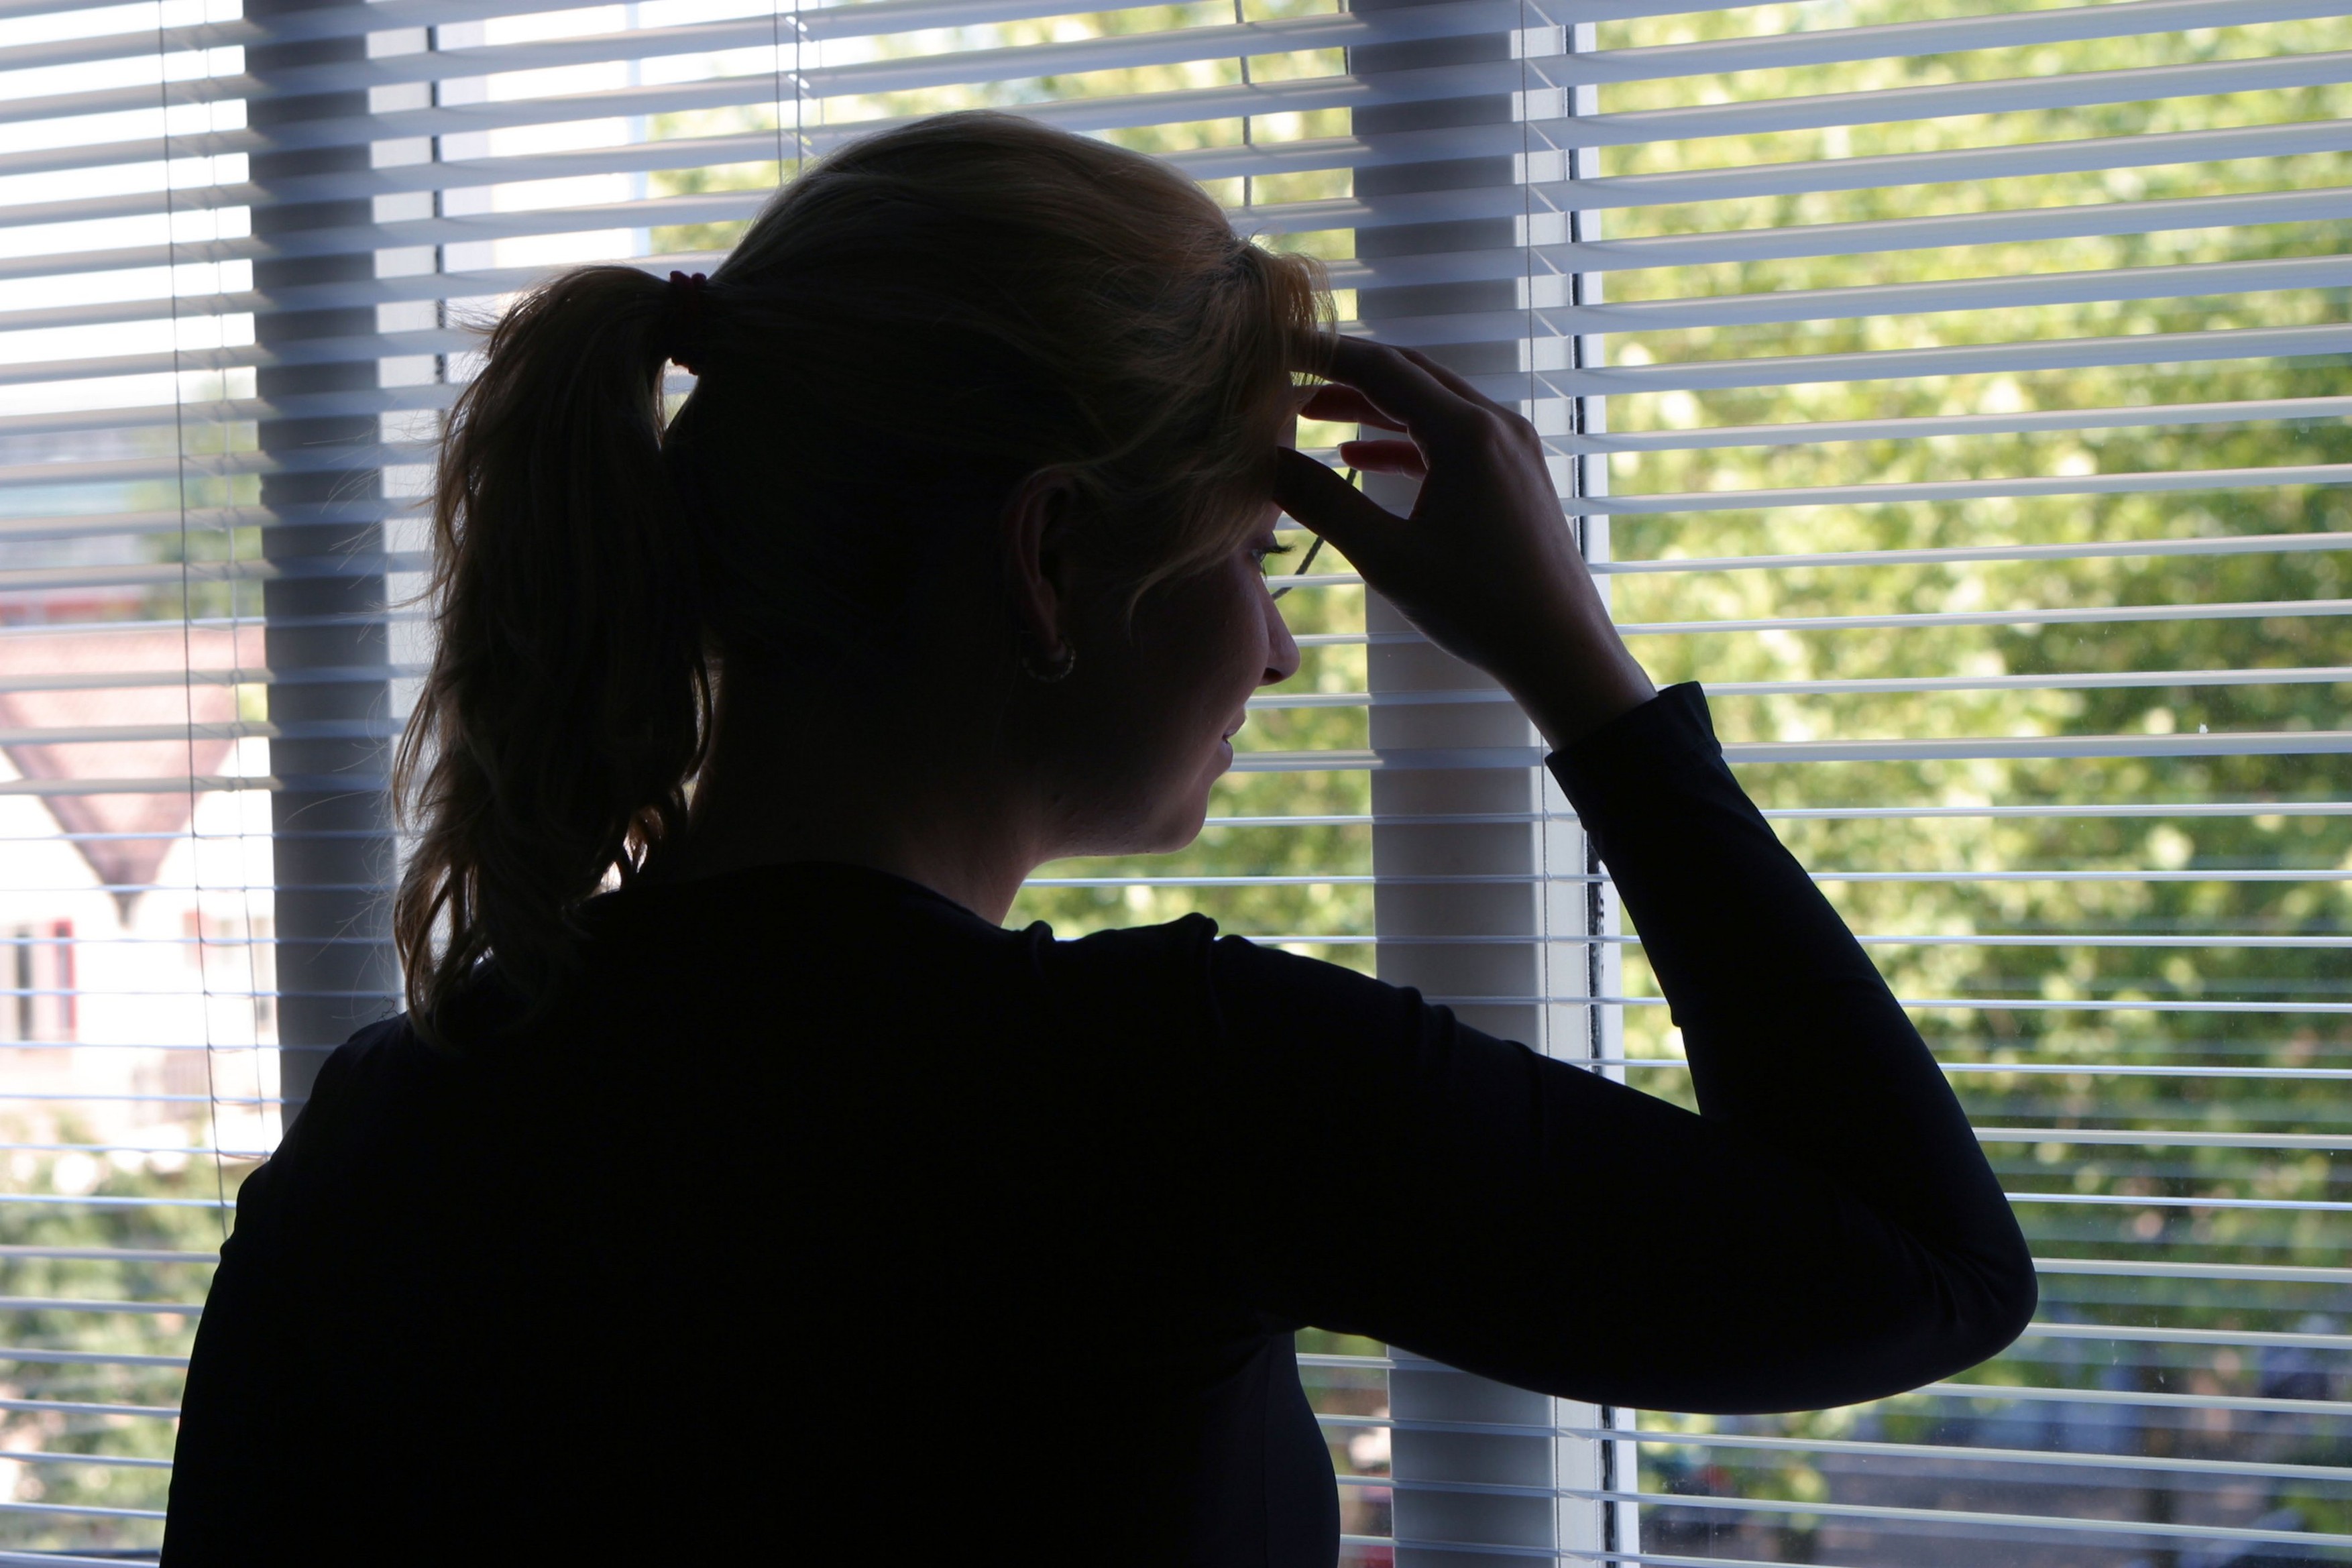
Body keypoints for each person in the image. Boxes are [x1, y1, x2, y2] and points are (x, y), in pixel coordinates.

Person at [160, 111, 2034, 1565]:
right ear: (1052, 560)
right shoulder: (1171, 1093)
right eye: (1254, 554)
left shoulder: (388, 1132)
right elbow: (1923, 1270)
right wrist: (1572, 667)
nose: (1281, 643)